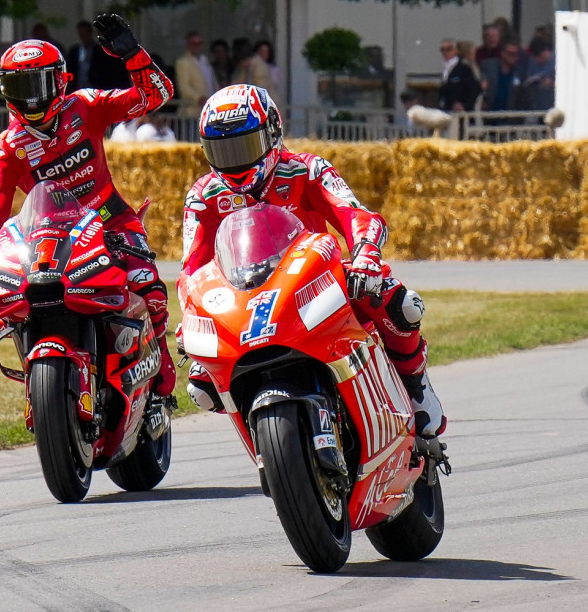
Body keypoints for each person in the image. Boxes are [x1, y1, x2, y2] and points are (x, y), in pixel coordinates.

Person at [178, 84, 446, 439]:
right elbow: (192, 268)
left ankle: (414, 384)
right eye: (224, 151)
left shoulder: (308, 169)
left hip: (316, 280)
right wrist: (191, 313)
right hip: (244, 301)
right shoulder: (204, 196)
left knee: (398, 303)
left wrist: (365, 253)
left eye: (245, 146)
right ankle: (267, 438)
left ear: (273, 131)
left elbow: (356, 215)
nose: (236, 160)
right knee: (200, 386)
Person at [0, 13, 177, 401]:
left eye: (39, 83)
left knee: (149, 285)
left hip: (110, 220)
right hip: (49, 238)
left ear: (60, 81)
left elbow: (156, 96)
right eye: (19, 86)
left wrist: (133, 56)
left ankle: (161, 354)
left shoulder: (87, 105)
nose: (31, 98)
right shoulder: (6, 147)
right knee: (20, 302)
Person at [66, 19, 129, 90]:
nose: (83, 36)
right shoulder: (74, 51)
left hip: (99, 87)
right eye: (81, 33)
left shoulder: (102, 52)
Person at [173, 31, 216, 116]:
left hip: (209, 110)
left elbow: (213, 81)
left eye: (199, 43)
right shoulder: (183, 62)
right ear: (188, 45)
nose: (197, 46)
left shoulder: (205, 60)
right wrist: (198, 98)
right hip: (191, 112)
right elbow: (184, 86)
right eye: (194, 44)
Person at [479, 40, 524, 112]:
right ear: (503, 53)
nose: (514, 57)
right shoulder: (488, 66)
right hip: (489, 114)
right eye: (511, 54)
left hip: (510, 117)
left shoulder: (519, 72)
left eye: (516, 54)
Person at [438, 38, 480, 112]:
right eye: (442, 49)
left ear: (456, 50)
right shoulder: (445, 69)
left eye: (448, 49)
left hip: (460, 113)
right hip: (447, 110)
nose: (445, 52)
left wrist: (465, 106)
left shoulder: (464, 68)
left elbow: (474, 88)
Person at [518, 37, 555, 110]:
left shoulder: (556, 61)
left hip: (552, 102)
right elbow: (528, 79)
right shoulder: (532, 61)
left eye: (541, 58)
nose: (538, 61)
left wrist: (552, 83)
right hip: (537, 102)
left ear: (547, 51)